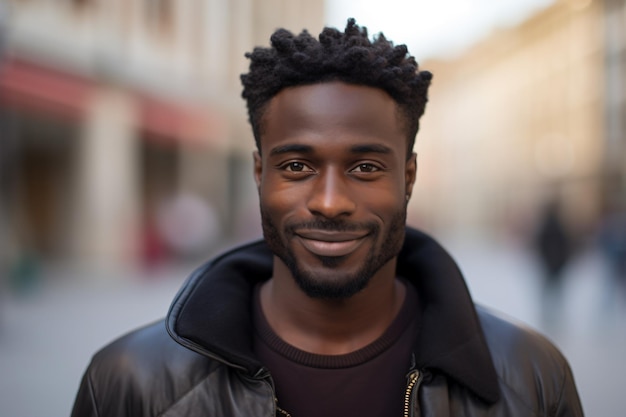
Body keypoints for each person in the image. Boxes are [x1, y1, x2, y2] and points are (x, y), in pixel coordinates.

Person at [71, 19, 584, 417]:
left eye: (365, 167)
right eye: (297, 166)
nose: (331, 201)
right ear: (259, 173)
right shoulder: (129, 380)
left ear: (408, 178)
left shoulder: (530, 374)